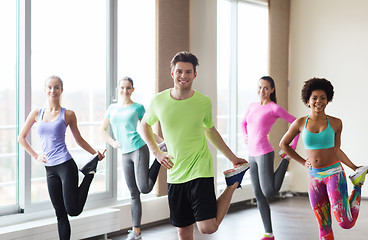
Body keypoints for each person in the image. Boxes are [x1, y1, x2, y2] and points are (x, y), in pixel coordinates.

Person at [140, 51, 250, 240]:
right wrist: (156, 153)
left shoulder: (203, 102)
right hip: (175, 173)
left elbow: (210, 131)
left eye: (188, 72)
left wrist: (233, 158)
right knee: (183, 231)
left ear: (194, 75)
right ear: (172, 73)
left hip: (200, 168)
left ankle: (232, 185)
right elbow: (143, 125)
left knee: (207, 227)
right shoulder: (158, 100)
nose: (184, 76)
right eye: (180, 71)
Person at [279, 77, 368, 240]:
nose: (318, 101)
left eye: (323, 98)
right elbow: (283, 144)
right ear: (308, 100)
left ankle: (358, 185)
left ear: (328, 100)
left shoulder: (336, 123)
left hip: (334, 173)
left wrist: (354, 168)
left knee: (345, 223)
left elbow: (336, 150)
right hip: (314, 177)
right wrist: (302, 161)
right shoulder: (300, 123)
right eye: (314, 98)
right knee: (324, 227)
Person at [18, 75, 106, 240]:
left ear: (61, 90)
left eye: (57, 87)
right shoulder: (37, 113)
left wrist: (95, 154)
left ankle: (89, 174)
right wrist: (36, 156)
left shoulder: (68, 114)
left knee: (73, 210)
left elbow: (78, 139)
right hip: (50, 169)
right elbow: (21, 138)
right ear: (45, 90)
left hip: (65, 165)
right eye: (50, 87)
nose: (53, 90)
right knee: (60, 214)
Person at [100, 76, 166, 240]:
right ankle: (136, 232)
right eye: (122, 87)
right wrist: (113, 142)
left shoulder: (138, 108)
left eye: (128, 88)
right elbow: (102, 130)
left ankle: (161, 153)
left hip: (138, 148)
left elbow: (147, 128)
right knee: (133, 193)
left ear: (132, 89)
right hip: (124, 153)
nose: (125, 90)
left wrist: (162, 142)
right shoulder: (112, 108)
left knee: (144, 188)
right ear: (118, 89)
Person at [241, 76, 299, 240]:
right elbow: (243, 123)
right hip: (251, 155)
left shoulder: (274, 108)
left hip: (264, 153)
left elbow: (295, 123)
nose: (262, 91)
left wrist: (292, 147)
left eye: (266, 88)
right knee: (258, 195)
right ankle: (269, 233)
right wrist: (245, 136)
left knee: (269, 192)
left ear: (272, 89)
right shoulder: (252, 106)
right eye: (260, 87)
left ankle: (286, 159)